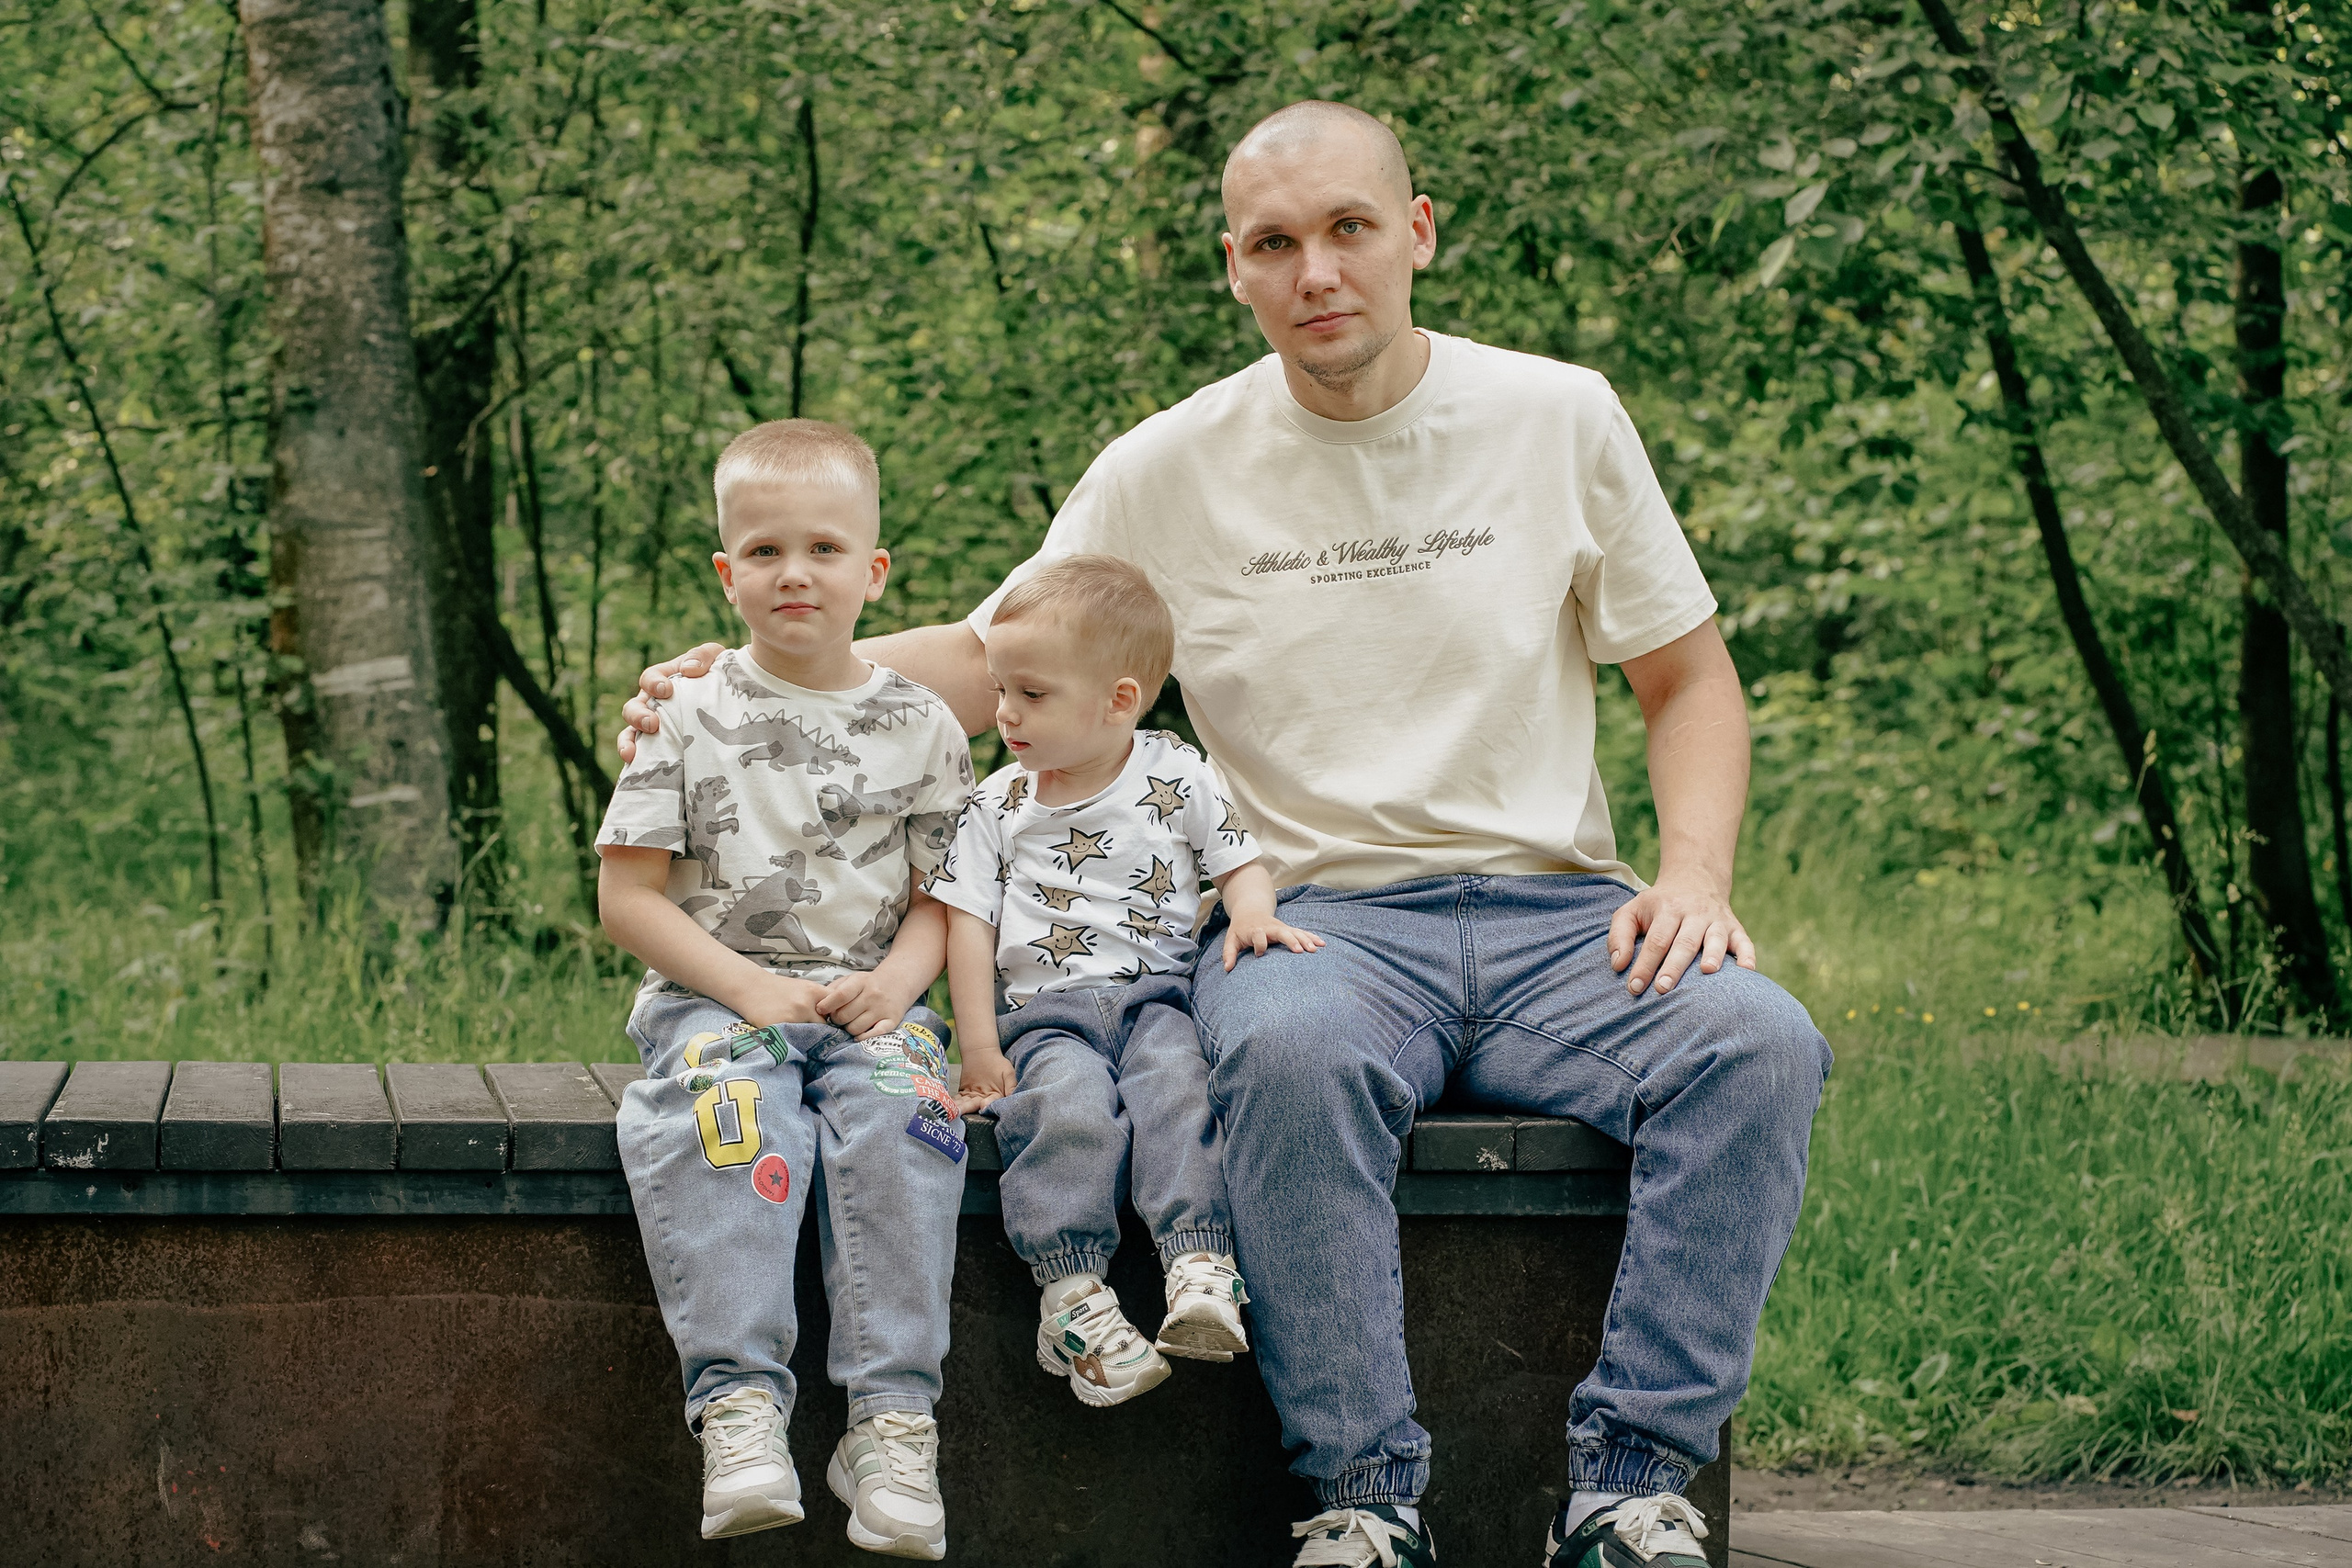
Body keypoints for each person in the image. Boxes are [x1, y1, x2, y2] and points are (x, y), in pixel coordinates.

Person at [621, 104, 1831, 1568]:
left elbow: (1687, 676)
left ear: (1418, 234)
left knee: (1758, 1041)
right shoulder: (1168, 465)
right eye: (1276, 244)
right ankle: (1365, 1497)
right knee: (1287, 1050)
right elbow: (1002, 651)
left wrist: (1694, 873)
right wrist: (745, 673)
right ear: (1237, 271)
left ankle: (1632, 1483)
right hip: (1306, 921)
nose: (1317, 270)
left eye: (1348, 230)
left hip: (1561, 913)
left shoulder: (1558, 415)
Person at [596, 419, 976, 1560]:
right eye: (763, 552)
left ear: (875, 571)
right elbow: (629, 900)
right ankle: (739, 1405)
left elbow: (948, 896)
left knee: (912, 1117)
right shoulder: (685, 714)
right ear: (726, 573)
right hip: (716, 998)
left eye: (823, 548)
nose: (793, 573)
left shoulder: (923, 724)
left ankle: (892, 1421)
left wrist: (902, 989)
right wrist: (749, 991)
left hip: (872, 1001)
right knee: (732, 1111)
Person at [931, 554, 1321, 1409]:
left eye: (1031, 695)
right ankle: (1071, 1292)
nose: (1004, 714)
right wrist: (981, 1046)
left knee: (1180, 1093)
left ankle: (1199, 1263)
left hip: (1158, 1001)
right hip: (1046, 1016)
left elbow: (1239, 860)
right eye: (1001, 691)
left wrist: (1251, 912)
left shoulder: (1174, 772)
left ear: (1119, 698)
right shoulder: (999, 804)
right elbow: (969, 924)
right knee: (1064, 1112)